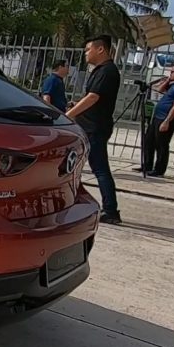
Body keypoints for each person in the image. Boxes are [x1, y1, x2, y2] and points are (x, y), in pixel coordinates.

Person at [66, 34, 122, 225]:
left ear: (101, 49)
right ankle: (73, 200)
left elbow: (93, 97)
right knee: (75, 165)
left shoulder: (108, 71)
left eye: (88, 50)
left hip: (95, 128)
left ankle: (111, 209)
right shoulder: (99, 71)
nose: (86, 54)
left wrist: (69, 115)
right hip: (87, 125)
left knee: (100, 169)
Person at [138, 63, 174, 176]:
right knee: (149, 141)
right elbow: (160, 89)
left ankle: (159, 169)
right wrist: (168, 80)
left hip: (166, 118)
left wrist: (167, 121)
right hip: (158, 117)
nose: (170, 74)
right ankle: (147, 165)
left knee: (161, 144)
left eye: (173, 72)